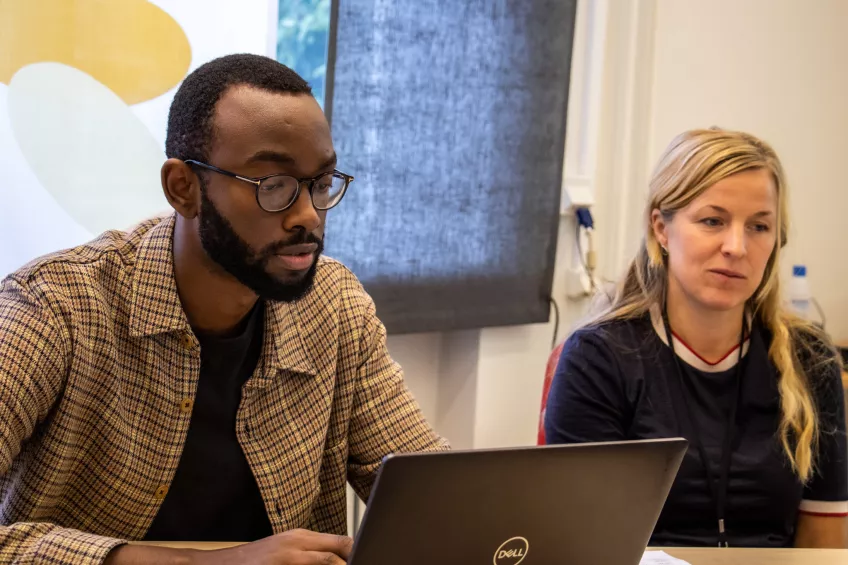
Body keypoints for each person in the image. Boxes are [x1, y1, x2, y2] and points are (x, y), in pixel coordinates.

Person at [0, 54, 449, 564]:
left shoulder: (335, 305)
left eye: (321, 184)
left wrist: (495, 524)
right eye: (272, 186)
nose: (308, 215)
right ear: (183, 189)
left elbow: (425, 487)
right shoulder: (57, 307)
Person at [544, 128, 847, 548]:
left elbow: (825, 543)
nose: (737, 247)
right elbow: (586, 543)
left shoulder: (810, 359)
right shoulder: (599, 358)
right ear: (661, 229)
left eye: (759, 226)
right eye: (712, 221)